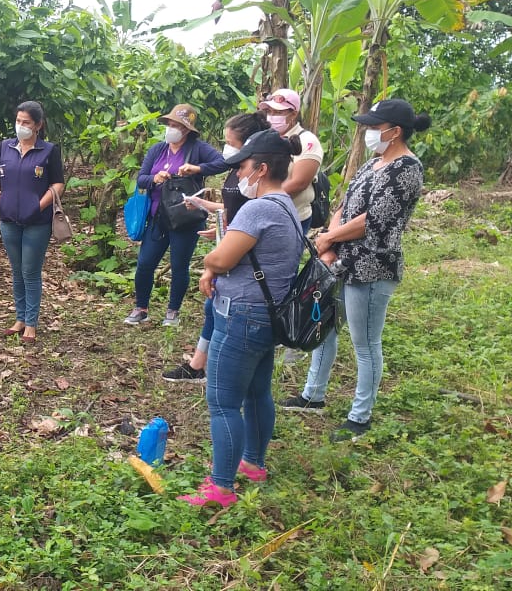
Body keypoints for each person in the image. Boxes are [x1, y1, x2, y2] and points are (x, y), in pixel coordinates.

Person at [281, 99, 429, 442]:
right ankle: (312, 396)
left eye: (375, 127)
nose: (368, 132)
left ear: (395, 131)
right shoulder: (373, 163)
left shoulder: (407, 169)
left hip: (372, 266)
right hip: (342, 262)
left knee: (365, 343)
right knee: (326, 329)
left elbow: (374, 220)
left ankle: (360, 418)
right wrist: (329, 243)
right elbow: (345, 206)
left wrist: (330, 238)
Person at [177, 129, 305, 508]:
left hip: (241, 315)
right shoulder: (286, 205)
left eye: (243, 167)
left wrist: (209, 261)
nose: (238, 175)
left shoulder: (258, 208)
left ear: (261, 169)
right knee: (256, 392)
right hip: (267, 315)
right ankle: (252, 463)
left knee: (223, 402)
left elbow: (220, 258)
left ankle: (221, 487)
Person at [161, 112, 271, 383]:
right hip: (233, 239)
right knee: (213, 306)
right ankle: (200, 364)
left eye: (230, 142)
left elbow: (252, 214)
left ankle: (212, 367)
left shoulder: (255, 174)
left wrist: (227, 240)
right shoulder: (238, 169)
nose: (226, 147)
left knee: (221, 307)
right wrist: (208, 209)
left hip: (243, 250)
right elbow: (234, 209)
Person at [124, 104, 227, 327]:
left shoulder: (197, 149)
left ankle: (173, 310)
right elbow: (141, 178)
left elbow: (222, 163)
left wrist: (197, 169)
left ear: (187, 129)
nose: (171, 128)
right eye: (169, 124)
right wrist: (155, 179)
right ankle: (141, 307)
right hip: (157, 216)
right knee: (145, 263)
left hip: (185, 217)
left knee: (179, 265)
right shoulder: (157, 150)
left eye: (176, 125)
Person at [0, 101, 64, 345]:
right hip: (9, 219)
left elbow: (58, 184)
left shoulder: (49, 151)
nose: (21, 126)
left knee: (30, 271)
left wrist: (38, 205)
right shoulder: (5, 147)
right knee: (17, 270)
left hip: (37, 222)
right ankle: (19, 318)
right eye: (18, 121)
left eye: (26, 122)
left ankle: (31, 323)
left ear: (38, 125)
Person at [259, 88, 325, 364]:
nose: (273, 116)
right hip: (264, 215)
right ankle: (270, 326)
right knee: (264, 273)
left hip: (293, 216)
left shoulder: (307, 141)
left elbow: (299, 182)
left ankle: (290, 333)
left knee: (286, 274)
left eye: (279, 112)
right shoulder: (266, 138)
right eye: (269, 111)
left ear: (293, 113)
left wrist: (263, 198)